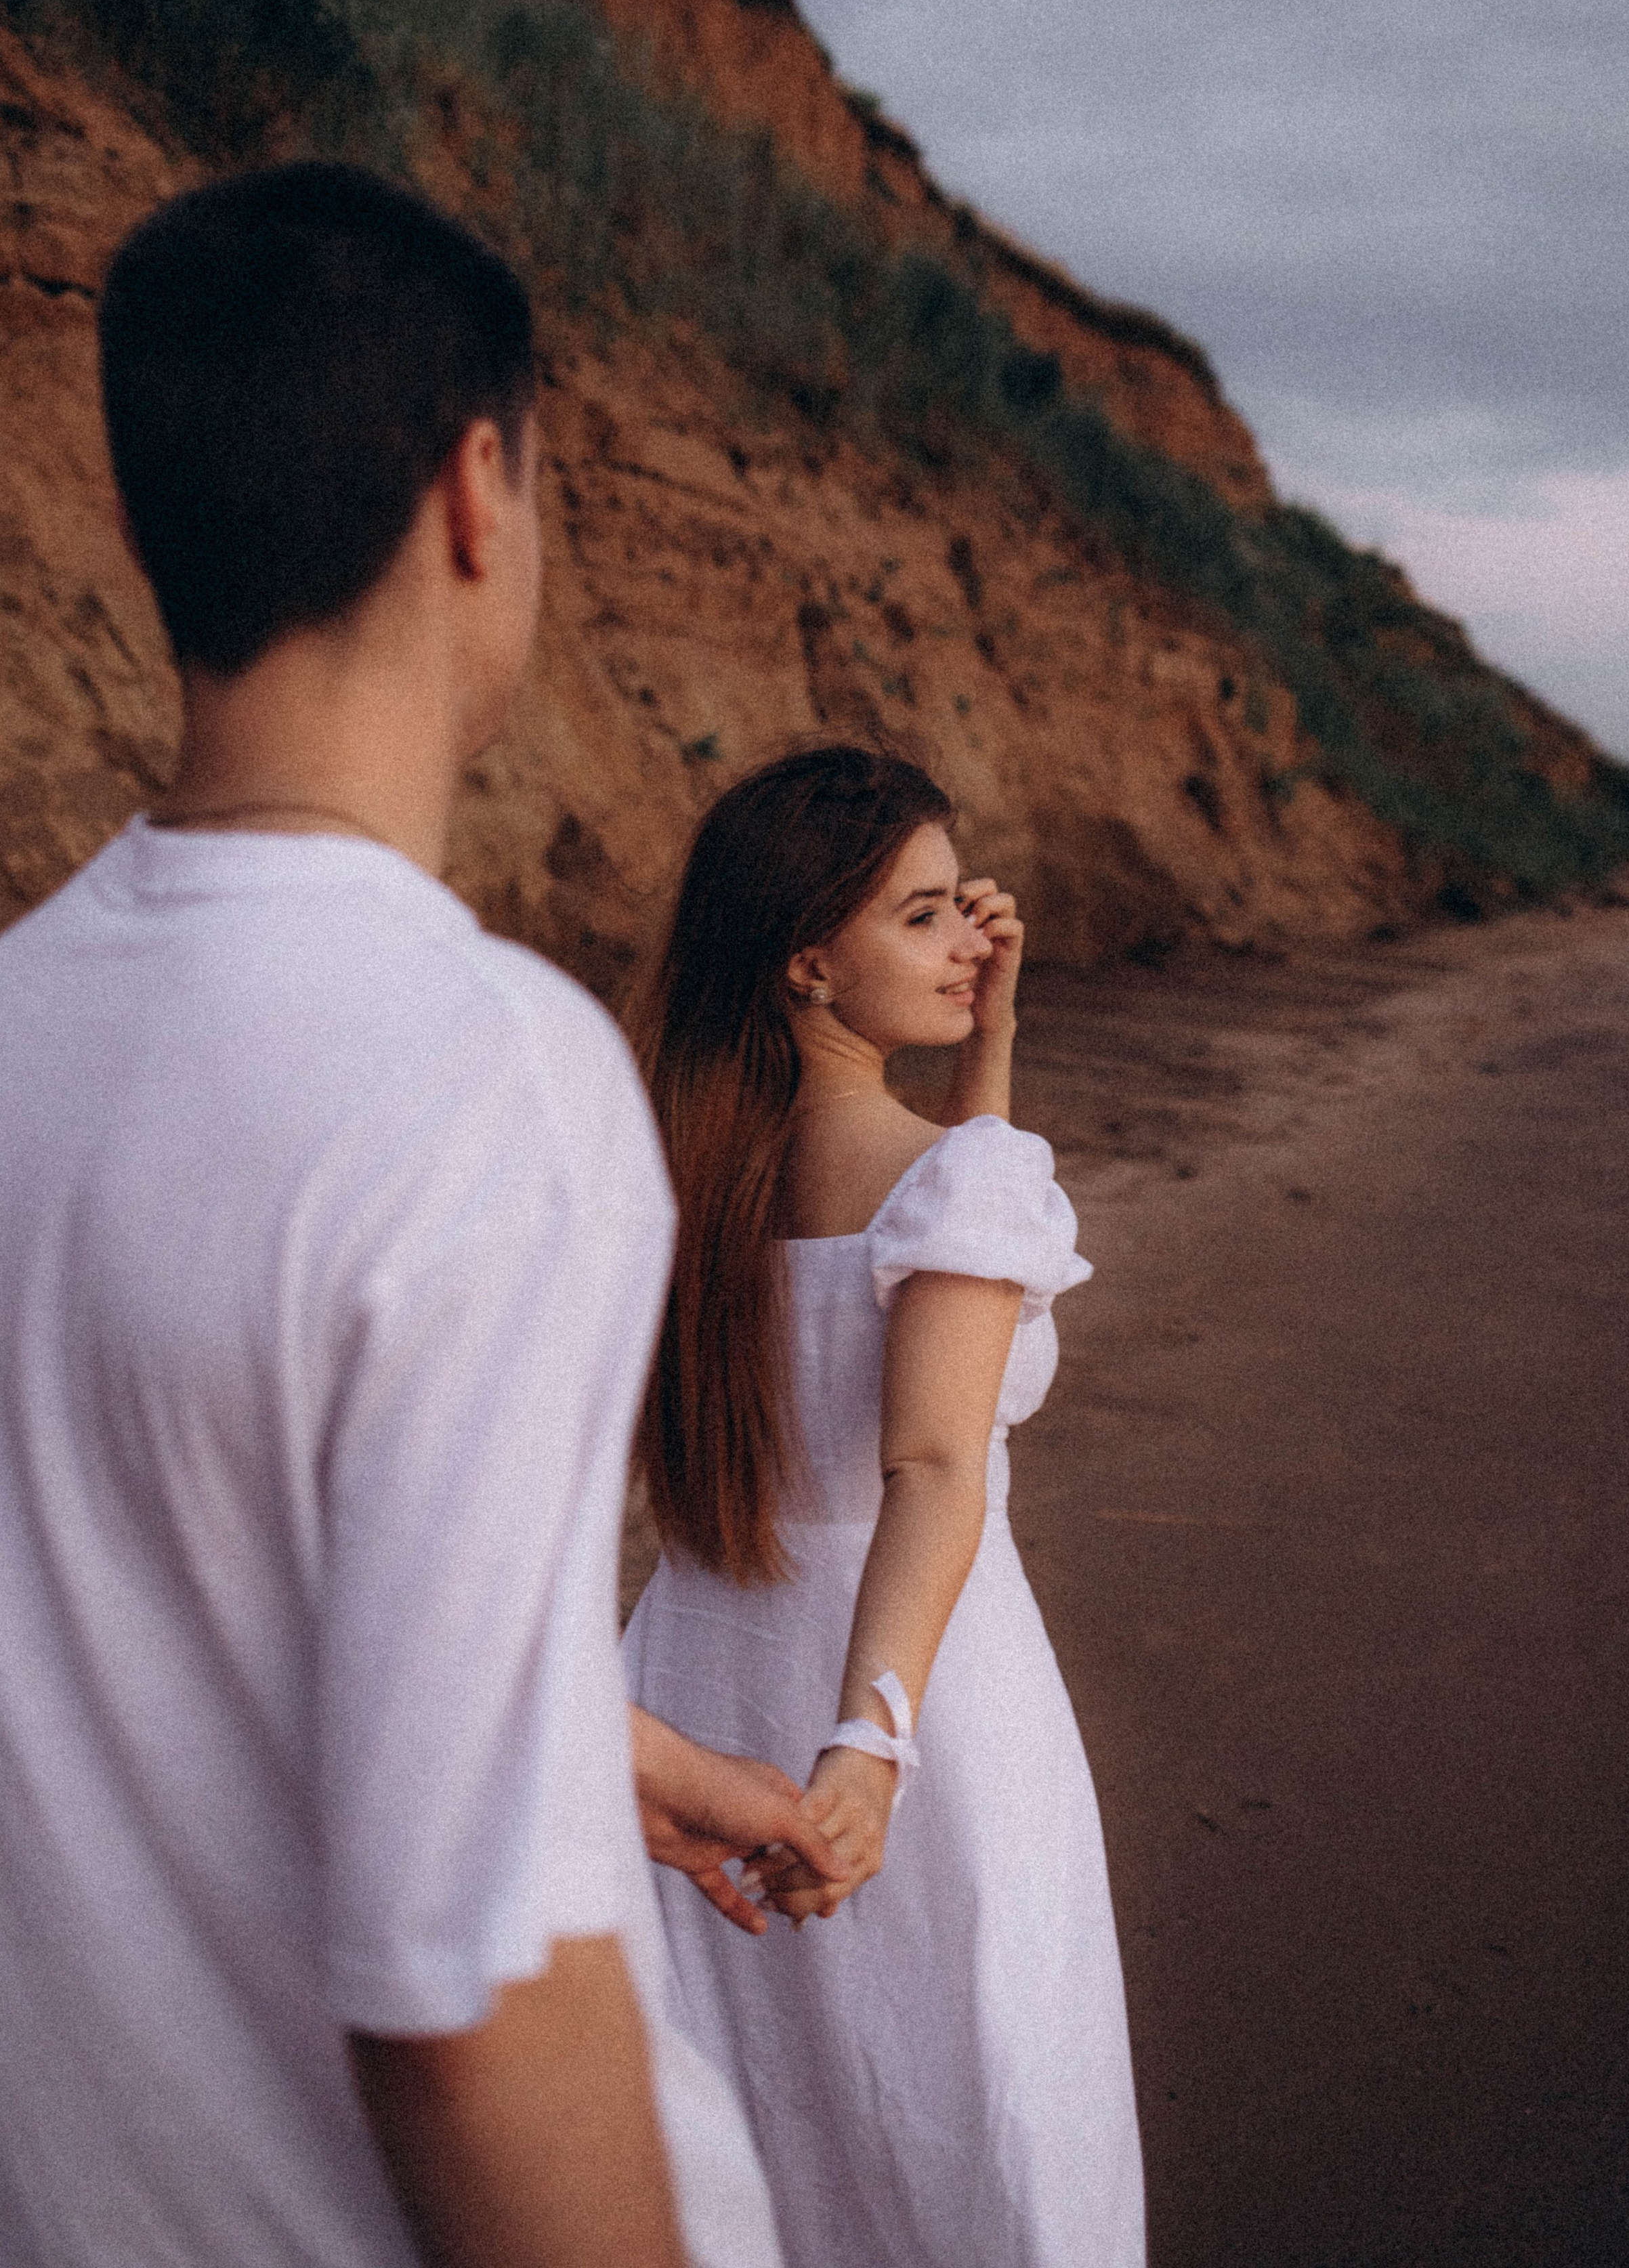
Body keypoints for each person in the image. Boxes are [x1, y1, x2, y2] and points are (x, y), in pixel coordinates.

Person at [0, 163, 842, 2268]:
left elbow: (137, 1593)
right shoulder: (490, 1084)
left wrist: (583, 1741)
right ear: (481, 496)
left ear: (135, 528)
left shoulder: (23, 1018)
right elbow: (465, 1998)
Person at [623, 746, 1147, 2267]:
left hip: (690, 1677)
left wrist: (986, 1049)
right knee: (967, 2120)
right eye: (921, 917)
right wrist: (871, 1743)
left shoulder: (683, 1168)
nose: (969, 941)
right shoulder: (959, 1184)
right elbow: (929, 1468)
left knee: (752, 2130)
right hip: (920, 1691)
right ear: (806, 959)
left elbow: (949, 1222)